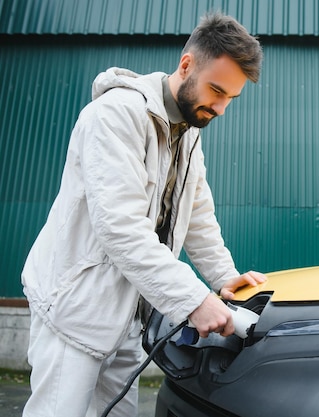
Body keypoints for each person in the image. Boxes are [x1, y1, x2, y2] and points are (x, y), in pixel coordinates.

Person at [21, 11, 266, 417]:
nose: (221, 108)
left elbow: (198, 214)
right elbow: (120, 227)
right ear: (186, 64)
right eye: (216, 91)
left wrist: (224, 277)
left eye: (231, 99)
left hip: (129, 317)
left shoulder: (188, 132)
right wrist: (193, 300)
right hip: (76, 310)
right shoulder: (116, 116)